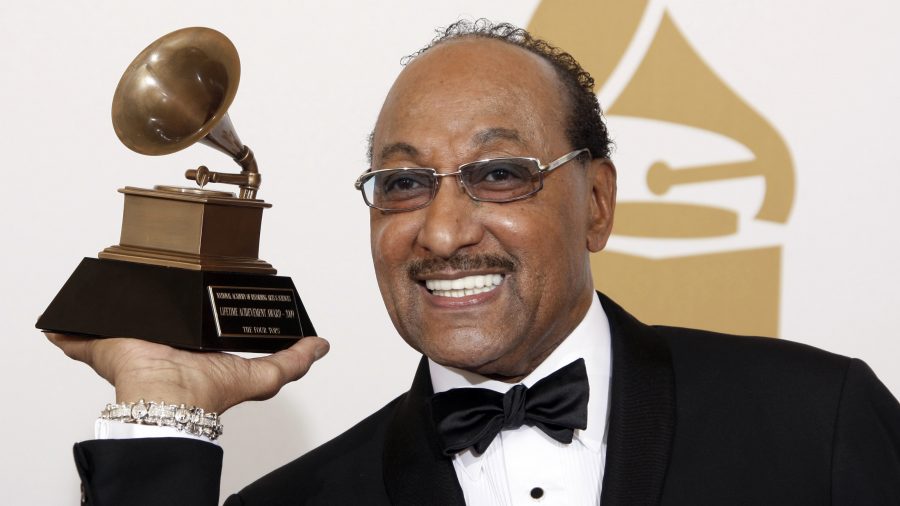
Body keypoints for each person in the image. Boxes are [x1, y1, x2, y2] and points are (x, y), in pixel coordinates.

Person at [49, 20, 900, 506]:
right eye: (404, 183)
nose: (445, 232)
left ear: (596, 203)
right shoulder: (297, 505)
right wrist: (161, 414)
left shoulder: (816, 421)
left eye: (500, 174)